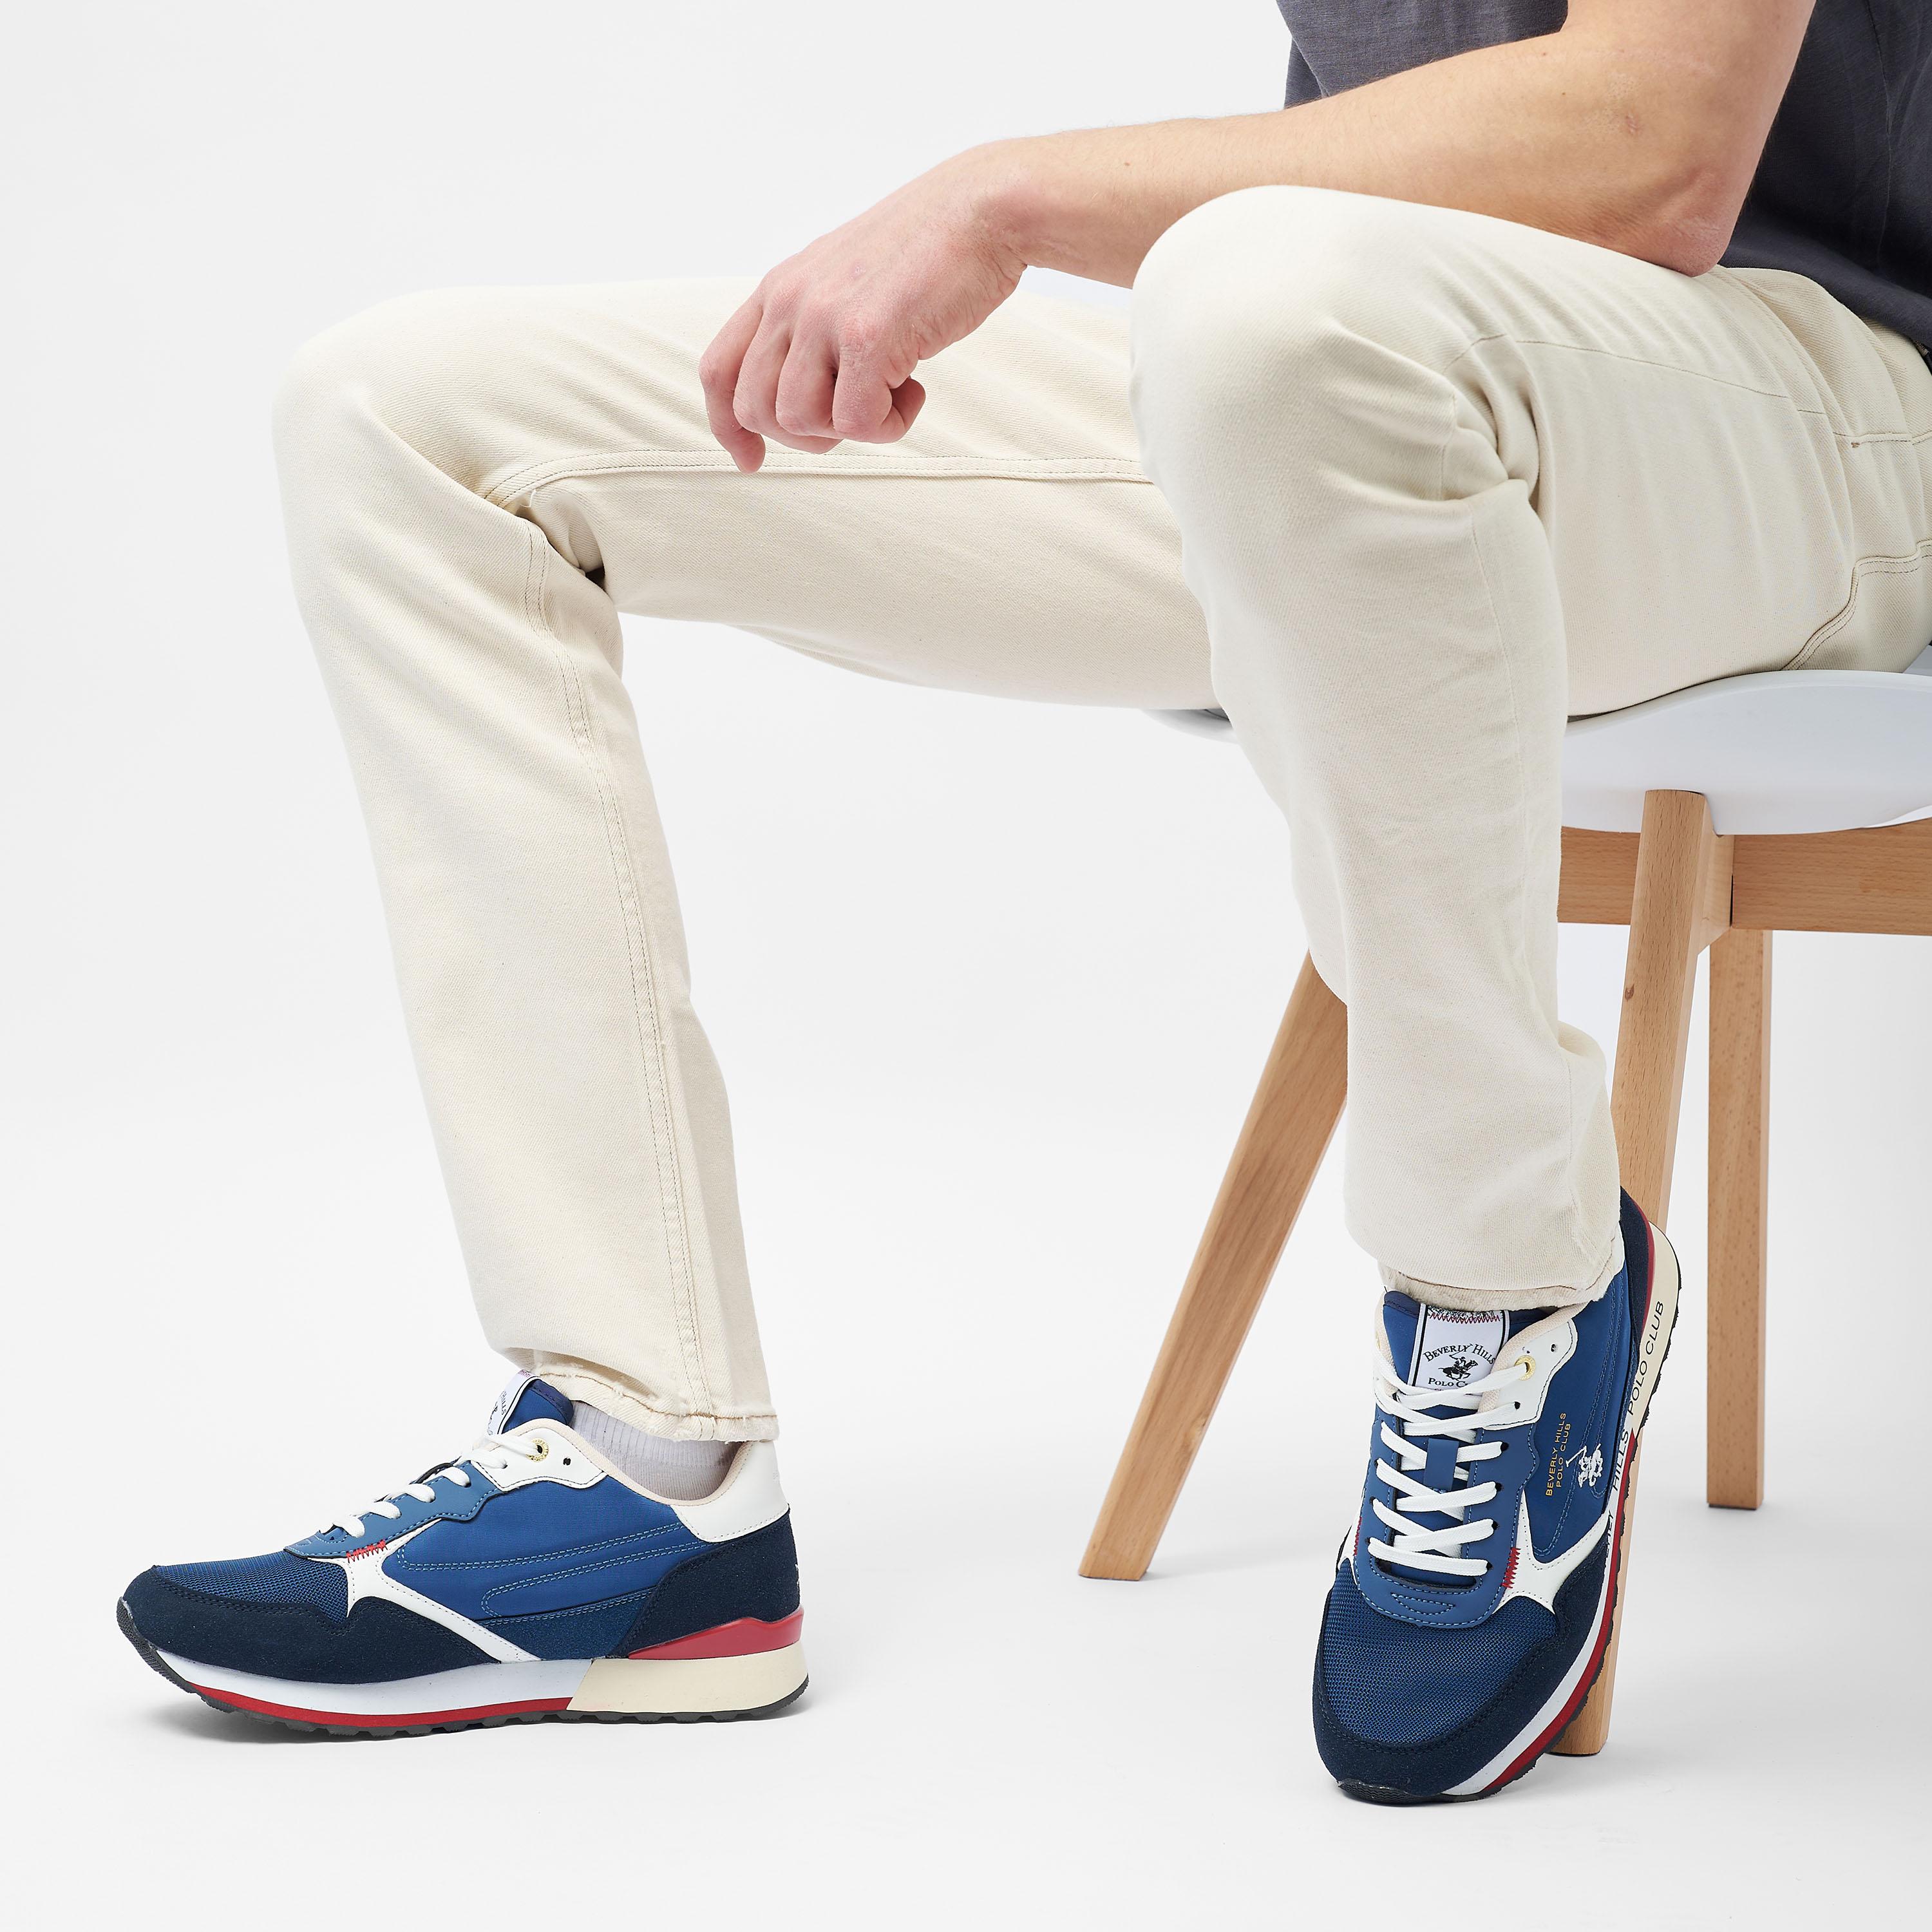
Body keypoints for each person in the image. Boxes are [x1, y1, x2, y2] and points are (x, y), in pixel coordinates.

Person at [118, 1, 1929, 1799]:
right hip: (1352, 398)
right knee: (408, 418)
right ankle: (645, 1473)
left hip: (1820, 416)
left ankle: (1513, 1288)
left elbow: (1649, 150)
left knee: (1266, 299)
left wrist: (1005, 201)